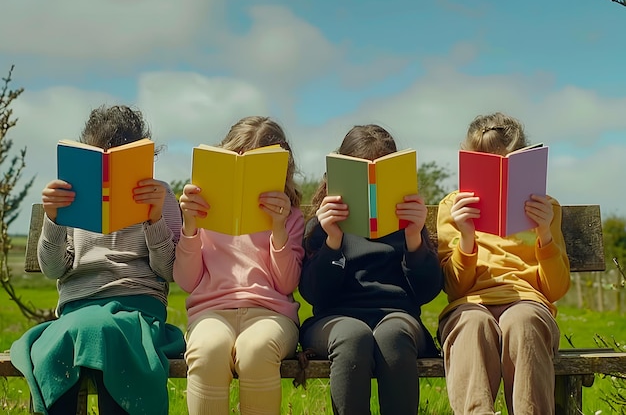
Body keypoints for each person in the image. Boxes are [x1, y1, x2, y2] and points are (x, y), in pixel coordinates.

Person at [10, 105, 185, 415]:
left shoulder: (161, 196)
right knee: (79, 331)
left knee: (101, 330)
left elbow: (170, 271)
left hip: (137, 308)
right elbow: (53, 269)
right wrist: (53, 218)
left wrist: (154, 218)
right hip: (78, 307)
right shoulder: (72, 196)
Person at [299, 124, 443, 415]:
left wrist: (414, 237)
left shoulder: (406, 224)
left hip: (398, 317)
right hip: (334, 320)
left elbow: (427, 291)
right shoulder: (322, 225)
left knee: (392, 334)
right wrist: (333, 242)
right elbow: (315, 295)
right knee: (354, 335)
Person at [437, 112, 571, 414]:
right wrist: (467, 236)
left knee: (522, 321)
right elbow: (455, 287)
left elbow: (556, 289)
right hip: (470, 304)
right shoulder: (452, 207)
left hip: (527, 302)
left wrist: (544, 233)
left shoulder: (546, 208)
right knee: (472, 323)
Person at [173, 116, 305, 415]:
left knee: (255, 349)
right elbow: (186, 281)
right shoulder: (205, 211)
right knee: (207, 350)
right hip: (211, 312)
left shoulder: (291, 217)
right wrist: (191, 227)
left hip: (270, 314)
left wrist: (278, 228)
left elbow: (286, 285)